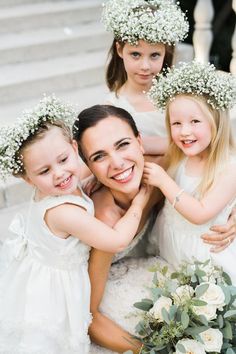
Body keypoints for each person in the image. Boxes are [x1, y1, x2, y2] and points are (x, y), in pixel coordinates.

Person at [73, 104, 236, 354]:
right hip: (107, 300)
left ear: (141, 142)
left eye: (123, 144)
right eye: (99, 156)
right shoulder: (105, 221)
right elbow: (88, 315)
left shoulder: (160, 173)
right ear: (89, 167)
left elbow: (217, 149)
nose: (117, 163)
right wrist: (151, 350)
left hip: (162, 267)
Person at [0, 96, 151, 353]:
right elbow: (116, 240)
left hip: (44, 266)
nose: (59, 173)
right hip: (53, 291)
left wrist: (94, 173)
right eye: (44, 171)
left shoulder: (66, 182)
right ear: (28, 179)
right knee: (50, 342)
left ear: (73, 148)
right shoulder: (63, 212)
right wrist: (140, 202)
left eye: (63, 160)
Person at [144, 61, 236, 283]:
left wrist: (163, 181)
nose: (185, 131)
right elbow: (140, 144)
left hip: (204, 255)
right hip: (173, 244)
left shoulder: (228, 166)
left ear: (216, 121)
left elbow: (200, 214)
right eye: (176, 123)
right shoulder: (181, 151)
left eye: (195, 121)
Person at [101, 0, 189, 157]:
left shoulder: (178, 95)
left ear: (165, 52)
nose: (145, 66)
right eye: (135, 54)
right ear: (120, 49)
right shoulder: (114, 107)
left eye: (154, 55)